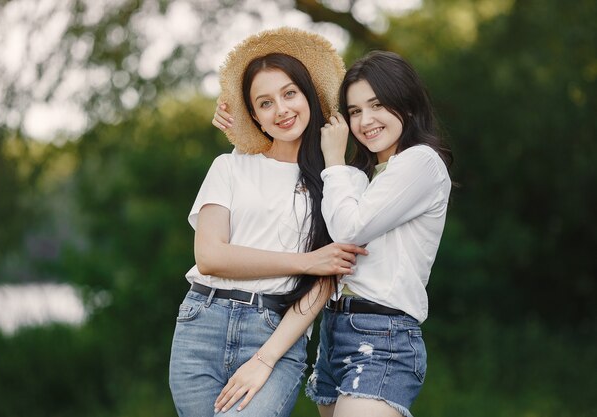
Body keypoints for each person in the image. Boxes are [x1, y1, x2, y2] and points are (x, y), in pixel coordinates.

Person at [213, 51, 452, 417]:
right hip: (335, 330)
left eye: (377, 105)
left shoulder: (420, 162)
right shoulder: (361, 175)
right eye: (354, 111)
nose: (366, 120)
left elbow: (348, 230)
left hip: (383, 336)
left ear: (405, 103)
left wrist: (336, 159)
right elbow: (285, 160)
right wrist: (240, 124)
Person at [168, 27, 367, 417]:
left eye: (289, 93)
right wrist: (305, 262)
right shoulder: (229, 166)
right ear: (255, 117)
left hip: (275, 332)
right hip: (200, 325)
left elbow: (326, 280)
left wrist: (265, 359)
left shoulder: (339, 180)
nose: (281, 110)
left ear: (309, 95)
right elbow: (210, 257)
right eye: (265, 103)